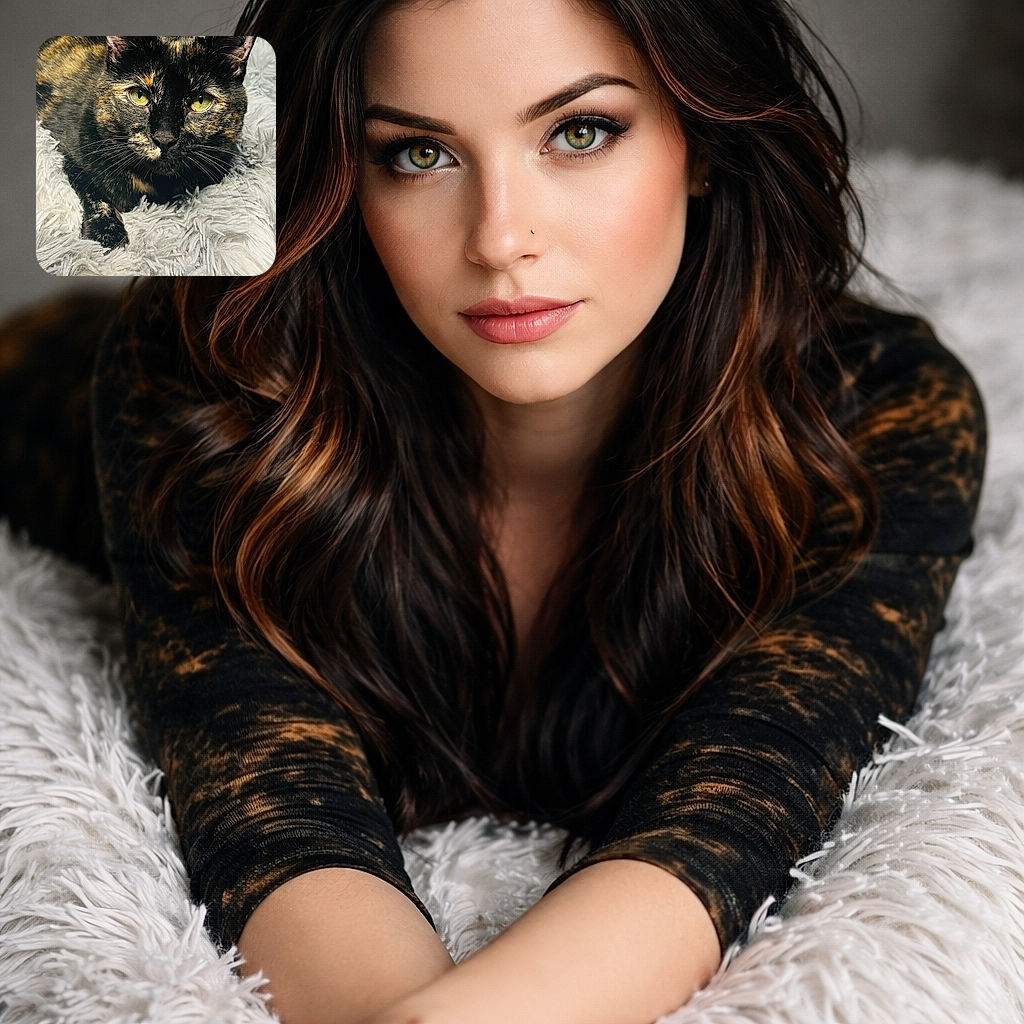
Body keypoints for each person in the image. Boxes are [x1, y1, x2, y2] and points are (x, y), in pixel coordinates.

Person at [0, 0, 985, 1022]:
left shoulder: (873, 412)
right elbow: (274, 821)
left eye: (579, 132)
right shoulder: (204, 388)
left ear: (702, 142)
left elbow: (726, 820)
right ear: (348, 173)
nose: (500, 240)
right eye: (417, 152)